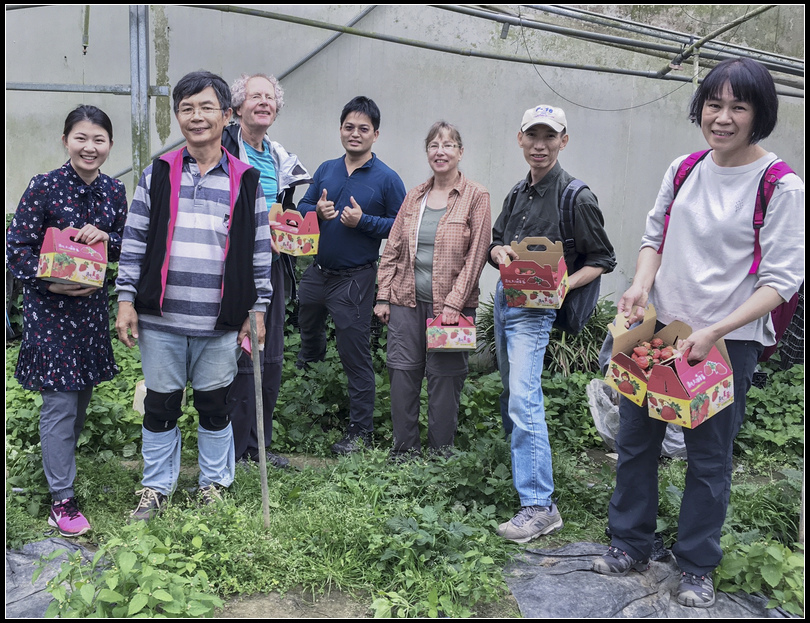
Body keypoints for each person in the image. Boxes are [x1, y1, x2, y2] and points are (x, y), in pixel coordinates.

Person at [591, 58, 804, 608]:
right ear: (700, 108)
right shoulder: (685, 168)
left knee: (709, 459)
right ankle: (630, 542)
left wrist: (715, 330)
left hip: (724, 346)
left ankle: (695, 565)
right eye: (714, 104)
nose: (723, 117)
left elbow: (781, 281)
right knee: (637, 441)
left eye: (739, 106)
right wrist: (640, 286)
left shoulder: (779, 186)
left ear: (760, 114)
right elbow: (653, 236)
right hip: (660, 330)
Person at [115, 70, 274, 521]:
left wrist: (257, 307)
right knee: (160, 405)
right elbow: (136, 237)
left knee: (215, 405)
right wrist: (125, 297)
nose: (196, 117)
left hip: (219, 320)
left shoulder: (245, 179)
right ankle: (155, 488)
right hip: (162, 320)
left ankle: (213, 485)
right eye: (187, 108)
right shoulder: (159, 173)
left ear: (227, 115)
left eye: (207, 107)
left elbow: (259, 249)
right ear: (178, 117)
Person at [489, 105, 616, 543]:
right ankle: (516, 469)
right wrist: (499, 254)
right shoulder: (517, 193)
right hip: (506, 299)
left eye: (549, 137)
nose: (539, 145)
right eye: (532, 136)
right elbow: (496, 240)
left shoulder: (576, 197)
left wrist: (565, 284)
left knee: (524, 399)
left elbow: (603, 259)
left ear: (564, 141)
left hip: (537, 311)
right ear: (520, 139)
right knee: (511, 391)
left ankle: (540, 505)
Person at [6, 105, 128, 537]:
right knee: (59, 404)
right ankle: (62, 497)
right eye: (81, 138)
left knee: (79, 402)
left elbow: (124, 248)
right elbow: (16, 246)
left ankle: (60, 468)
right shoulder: (44, 187)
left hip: (90, 314)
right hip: (50, 312)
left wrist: (107, 237)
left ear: (110, 145)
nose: (89, 147)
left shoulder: (114, 192)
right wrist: (49, 282)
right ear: (65, 141)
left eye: (98, 140)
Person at [296, 96, 407, 455]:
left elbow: (402, 227)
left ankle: (360, 432)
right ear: (340, 129)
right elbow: (302, 206)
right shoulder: (327, 168)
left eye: (363, 129)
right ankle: (308, 398)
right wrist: (318, 210)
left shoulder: (387, 179)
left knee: (354, 354)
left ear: (376, 134)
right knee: (307, 329)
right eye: (349, 127)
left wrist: (365, 222)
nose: (355, 134)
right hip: (317, 272)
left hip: (355, 279)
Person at [374, 121, 490, 460]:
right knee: (402, 374)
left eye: (448, 145)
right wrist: (384, 294)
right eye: (434, 145)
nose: (441, 151)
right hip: (406, 302)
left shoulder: (475, 197)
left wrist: (454, 303)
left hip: (451, 308)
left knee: (445, 380)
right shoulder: (415, 196)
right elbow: (393, 246)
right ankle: (404, 452)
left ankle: (441, 455)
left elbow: (478, 253)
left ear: (460, 152)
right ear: (427, 153)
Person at [222, 72, 313, 469]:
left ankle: (260, 445)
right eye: (254, 96)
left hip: (273, 267)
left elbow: (281, 212)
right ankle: (235, 447)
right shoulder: (222, 148)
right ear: (238, 107)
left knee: (270, 353)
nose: (263, 103)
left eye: (269, 97)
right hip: (234, 267)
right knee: (239, 354)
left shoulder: (278, 156)